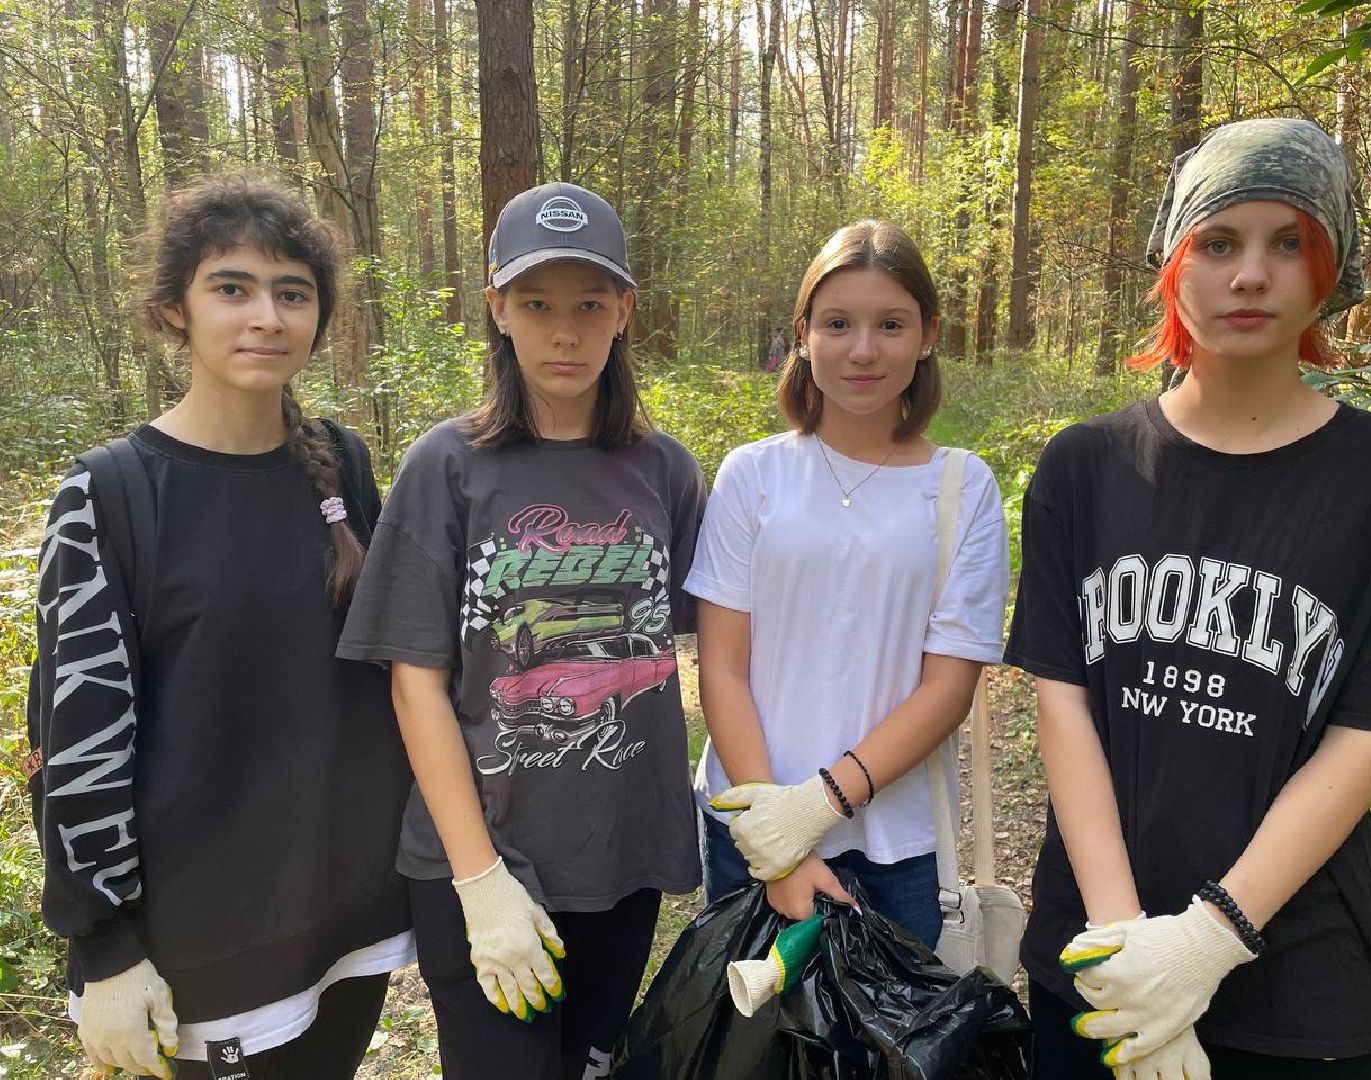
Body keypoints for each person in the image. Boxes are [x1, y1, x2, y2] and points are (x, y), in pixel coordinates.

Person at [1005, 117, 1371, 1080]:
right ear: (1173, 261)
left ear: (1333, 268)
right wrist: (1125, 943)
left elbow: (1367, 732)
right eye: (1219, 242)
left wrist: (1209, 939)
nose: (1251, 275)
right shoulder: (1086, 466)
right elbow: (1065, 702)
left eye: (1290, 242)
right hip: (1094, 955)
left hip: (1295, 975)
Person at [25, 174, 413, 1079]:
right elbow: (75, 734)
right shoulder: (112, 492)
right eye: (231, 288)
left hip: (345, 919)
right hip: (200, 944)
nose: (266, 317)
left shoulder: (342, 463)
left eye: (292, 293)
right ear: (175, 311)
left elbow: (400, 661)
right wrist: (104, 946)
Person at [336, 182, 705, 1080]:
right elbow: (414, 681)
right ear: (497, 307)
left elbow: (705, 653)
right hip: (487, 854)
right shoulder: (449, 465)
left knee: (589, 1064)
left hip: (622, 852)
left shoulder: (665, 471)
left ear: (625, 310)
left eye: (589, 304)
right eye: (537, 304)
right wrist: (478, 881)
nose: (565, 332)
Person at [687, 219, 1010, 945]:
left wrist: (816, 811)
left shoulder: (962, 487)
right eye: (838, 323)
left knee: (885, 1058)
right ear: (804, 333)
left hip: (898, 847)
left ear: (928, 334)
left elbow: (947, 688)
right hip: (748, 829)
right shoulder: (752, 474)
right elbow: (724, 666)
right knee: (752, 1048)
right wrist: (775, 835)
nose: (863, 349)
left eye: (890, 324)